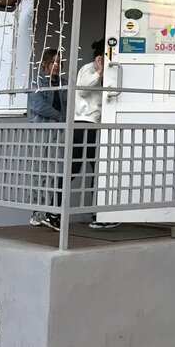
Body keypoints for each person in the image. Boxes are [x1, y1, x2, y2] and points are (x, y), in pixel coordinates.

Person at [73, 40, 119, 230]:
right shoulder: (88, 69)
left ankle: (98, 213)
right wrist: (98, 72)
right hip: (84, 123)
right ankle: (54, 210)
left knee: (98, 169)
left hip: (97, 124)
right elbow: (83, 89)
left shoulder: (110, 72)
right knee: (75, 168)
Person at [28, 48, 66, 230]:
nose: (56, 66)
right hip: (42, 129)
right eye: (53, 62)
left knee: (54, 171)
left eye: (59, 62)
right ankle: (37, 212)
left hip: (59, 131)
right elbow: (38, 106)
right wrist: (59, 116)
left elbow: (69, 104)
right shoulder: (37, 81)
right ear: (45, 63)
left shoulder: (63, 83)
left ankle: (50, 212)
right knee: (40, 171)